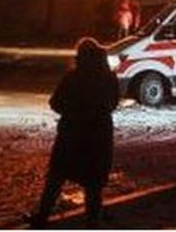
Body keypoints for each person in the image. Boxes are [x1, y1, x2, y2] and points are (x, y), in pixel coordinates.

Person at [29, 38, 119, 228]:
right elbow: (112, 104)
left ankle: (42, 216)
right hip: (98, 136)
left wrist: (74, 112)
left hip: (72, 135)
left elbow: (55, 103)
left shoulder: (72, 78)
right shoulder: (109, 78)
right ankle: (93, 222)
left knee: (56, 177)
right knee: (93, 184)